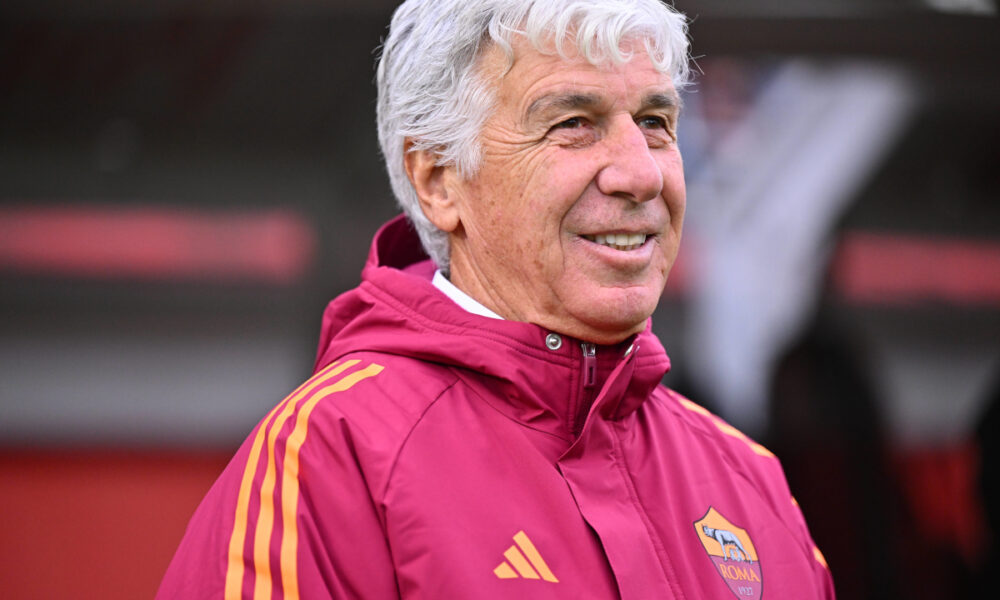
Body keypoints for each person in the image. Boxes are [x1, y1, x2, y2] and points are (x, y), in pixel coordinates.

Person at [157, 1, 835, 598]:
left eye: (656, 121)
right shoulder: (332, 459)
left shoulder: (751, 483)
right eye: (574, 122)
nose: (641, 171)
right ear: (439, 182)